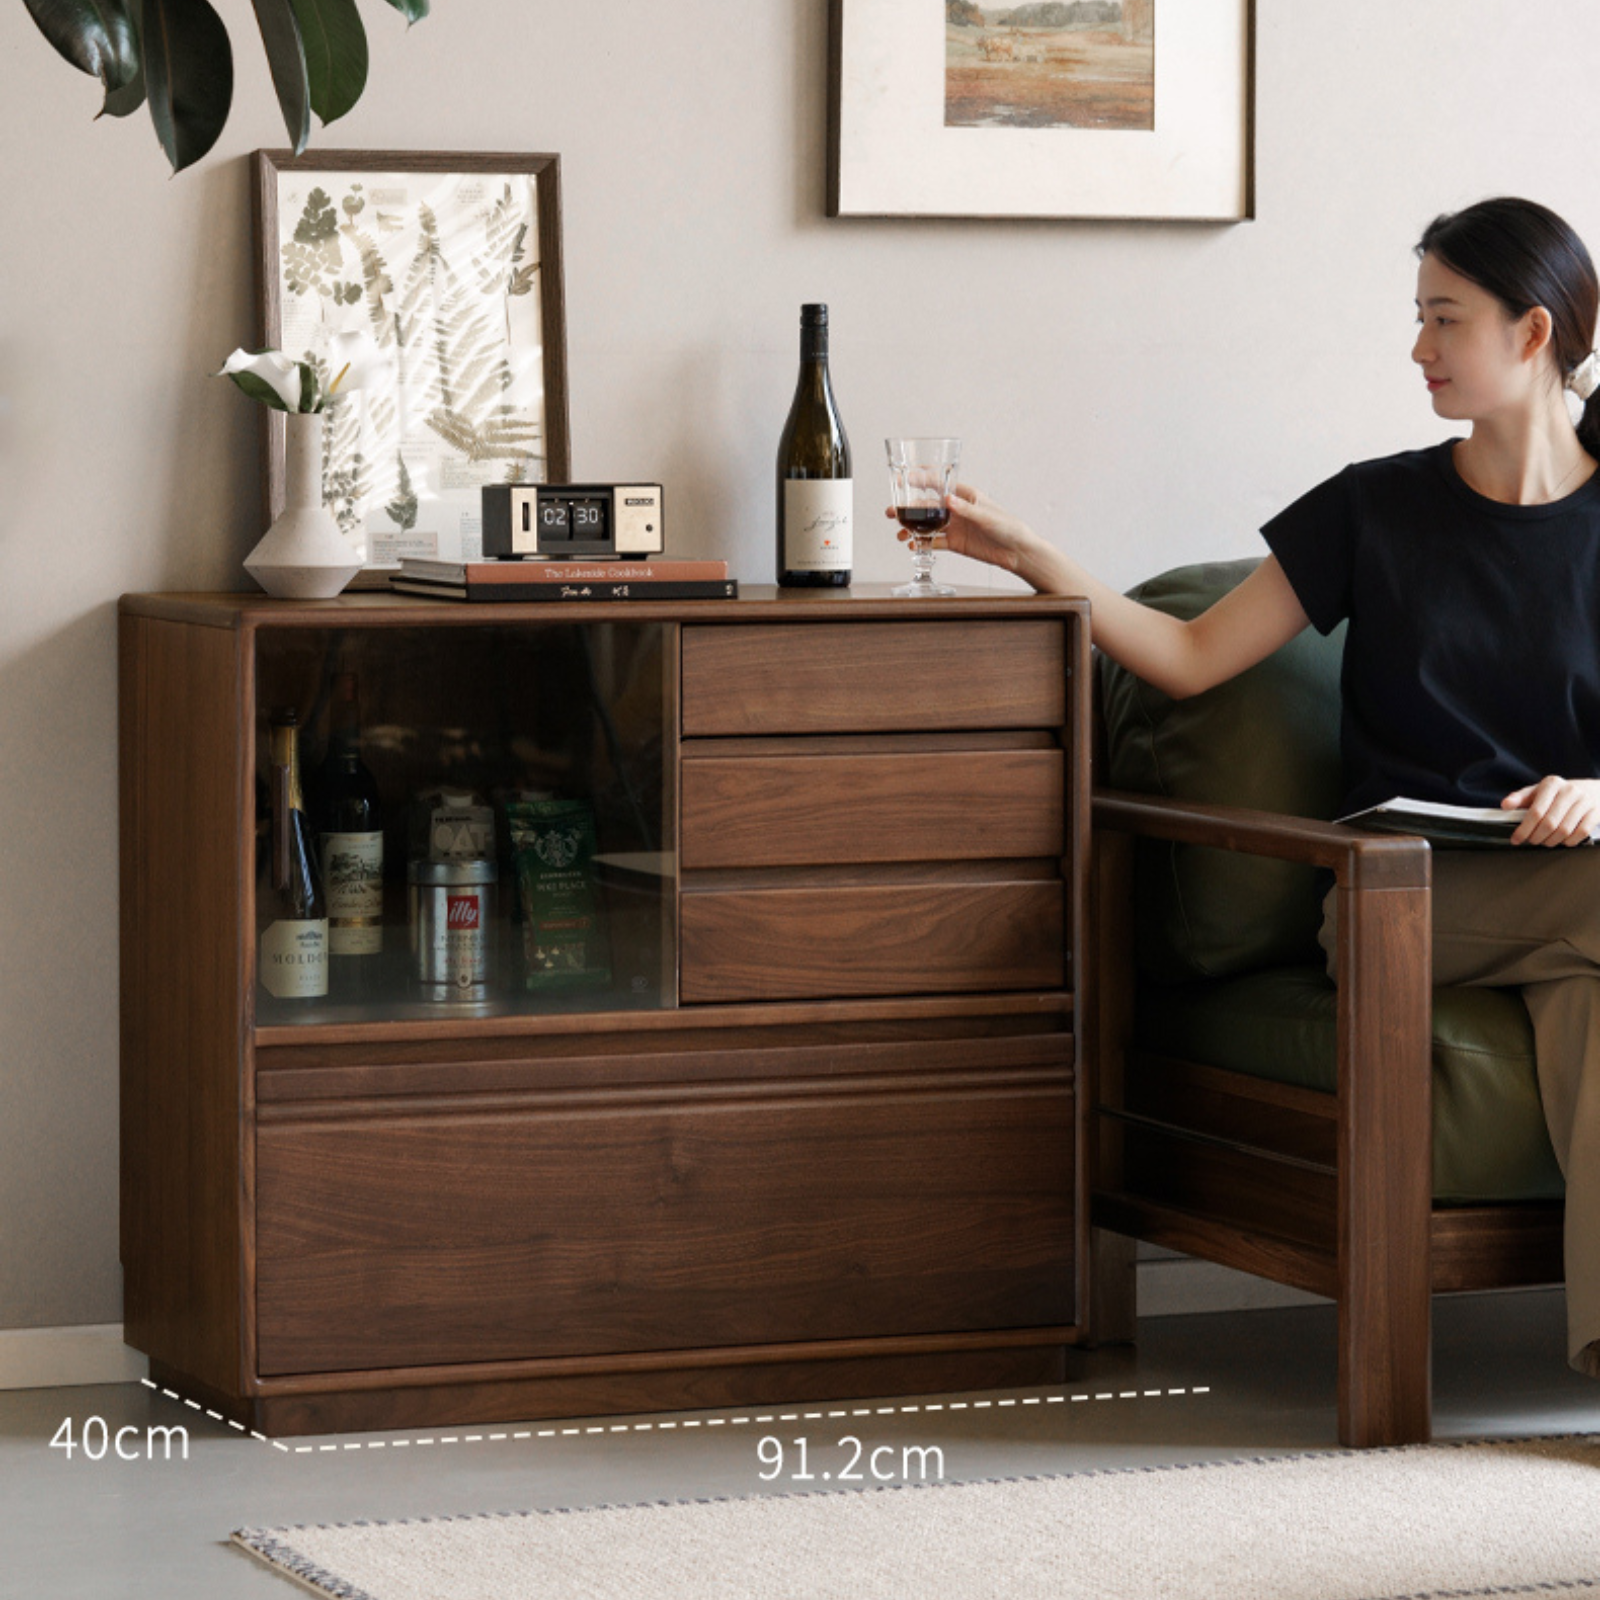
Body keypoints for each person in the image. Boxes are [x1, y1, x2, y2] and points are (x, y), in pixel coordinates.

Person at [911, 195, 1600, 1377]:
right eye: (1417, 317)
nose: (1418, 349)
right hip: (1405, 899)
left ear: (1532, 334)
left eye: (1445, 320)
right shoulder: (1371, 508)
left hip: (1572, 894)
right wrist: (1031, 559)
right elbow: (1186, 658)